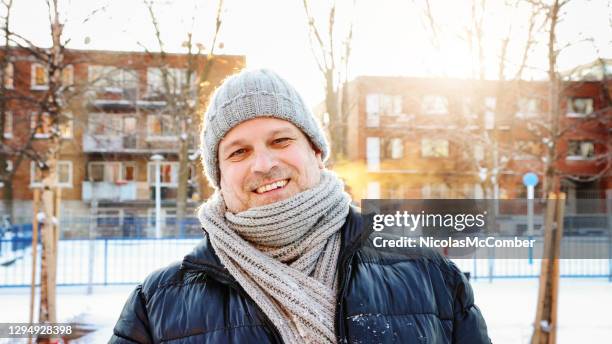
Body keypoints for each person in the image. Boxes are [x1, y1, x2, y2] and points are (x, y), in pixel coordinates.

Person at [110, 69, 490, 343]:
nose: (263, 164)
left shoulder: (429, 275)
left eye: (280, 141)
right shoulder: (157, 304)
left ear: (316, 151)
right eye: (239, 151)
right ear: (220, 176)